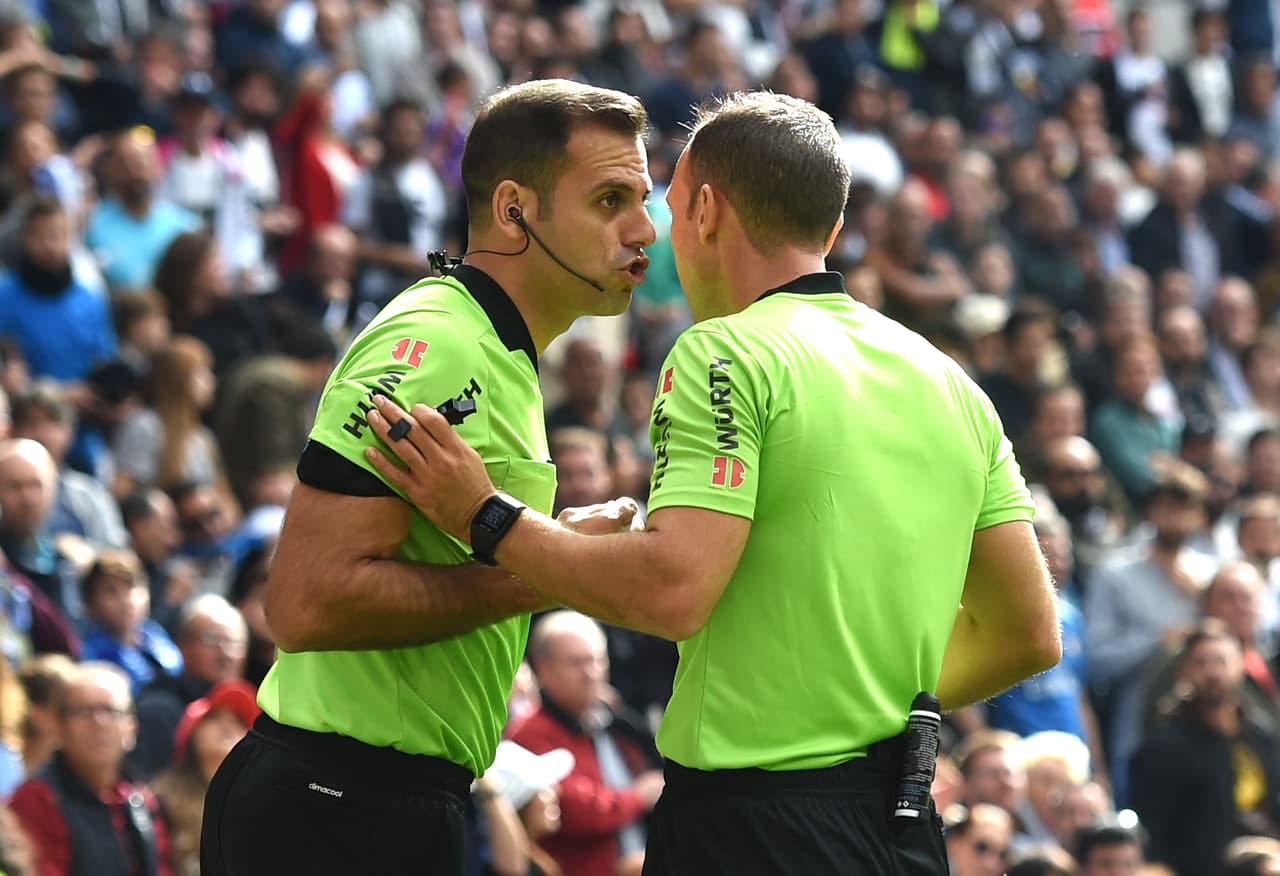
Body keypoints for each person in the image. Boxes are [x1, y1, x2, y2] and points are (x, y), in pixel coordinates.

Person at [363, 91, 1061, 873]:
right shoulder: (949, 381)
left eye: (663, 204)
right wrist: (862, 706)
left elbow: (672, 589)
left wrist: (485, 516)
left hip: (755, 828)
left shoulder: (721, 353)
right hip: (902, 820)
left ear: (703, 211)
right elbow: (1027, 634)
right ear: (830, 230)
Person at [200, 78, 655, 876]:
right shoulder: (438, 343)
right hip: (334, 804)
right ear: (514, 209)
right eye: (610, 200)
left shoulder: (499, 351)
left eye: (642, 199)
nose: (643, 229)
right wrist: (540, 572)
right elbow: (305, 602)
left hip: (394, 801)